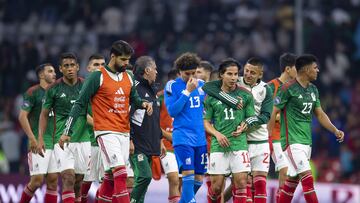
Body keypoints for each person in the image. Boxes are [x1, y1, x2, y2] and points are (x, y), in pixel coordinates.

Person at [60, 40, 152, 203]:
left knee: (110, 178)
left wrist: (143, 104)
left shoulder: (128, 77)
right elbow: (80, 103)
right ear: (113, 56)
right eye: (123, 60)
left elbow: (134, 98)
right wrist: (67, 131)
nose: (126, 63)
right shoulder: (97, 77)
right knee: (121, 174)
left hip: (123, 131)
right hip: (106, 131)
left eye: (128, 60)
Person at [268, 54, 344, 203]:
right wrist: (269, 135)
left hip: (306, 142)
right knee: (308, 179)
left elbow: (320, 114)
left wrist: (335, 130)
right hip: (291, 142)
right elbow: (274, 111)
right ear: (306, 69)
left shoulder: (313, 90)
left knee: (291, 182)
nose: (318, 70)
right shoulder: (287, 88)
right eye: (315, 68)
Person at [202, 57, 273, 203]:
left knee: (243, 183)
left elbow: (263, 116)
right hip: (219, 144)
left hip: (244, 142)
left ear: (260, 74)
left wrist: (246, 124)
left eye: (252, 72)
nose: (237, 76)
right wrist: (231, 101)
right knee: (216, 188)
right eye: (245, 71)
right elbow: (206, 89)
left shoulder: (259, 91)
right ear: (222, 75)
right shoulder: (214, 93)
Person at [39, 53, 91, 203]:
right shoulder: (53, 89)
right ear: (60, 69)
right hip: (61, 140)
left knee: (79, 182)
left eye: (72, 65)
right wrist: (41, 138)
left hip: (84, 139)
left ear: (78, 67)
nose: (70, 68)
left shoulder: (86, 85)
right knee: (68, 177)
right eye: (66, 66)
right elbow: (44, 115)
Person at [164, 52, 207, 203]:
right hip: (182, 137)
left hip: (200, 139)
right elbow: (172, 111)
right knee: (188, 175)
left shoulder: (202, 85)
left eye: (193, 73)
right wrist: (187, 91)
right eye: (187, 73)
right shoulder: (172, 86)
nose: (191, 77)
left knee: (199, 179)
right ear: (179, 72)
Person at [19, 63, 58, 203]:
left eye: (54, 71)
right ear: (41, 75)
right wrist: (32, 138)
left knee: (53, 182)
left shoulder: (57, 93)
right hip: (39, 142)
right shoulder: (32, 92)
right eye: (50, 71)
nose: (54, 74)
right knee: (37, 180)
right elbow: (22, 116)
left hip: (55, 143)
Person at [129, 56, 166, 203]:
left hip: (150, 142)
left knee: (143, 183)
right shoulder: (134, 89)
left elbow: (154, 119)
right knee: (144, 176)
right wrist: (130, 140)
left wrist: (160, 140)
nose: (157, 72)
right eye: (155, 69)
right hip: (137, 144)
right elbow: (127, 117)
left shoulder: (152, 89)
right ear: (147, 70)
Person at [267, 53, 297, 202]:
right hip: (273, 135)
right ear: (288, 69)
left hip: (288, 137)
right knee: (284, 170)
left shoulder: (294, 89)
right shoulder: (271, 87)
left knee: (290, 174)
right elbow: (264, 113)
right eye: (297, 68)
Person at [81, 54, 106, 203]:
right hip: (89, 142)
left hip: (107, 141)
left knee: (106, 183)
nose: (100, 67)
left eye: (103, 64)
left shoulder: (109, 87)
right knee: (85, 184)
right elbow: (82, 114)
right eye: (96, 64)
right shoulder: (83, 87)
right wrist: (102, 126)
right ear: (88, 68)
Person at [158, 68, 181, 203]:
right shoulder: (160, 97)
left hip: (185, 144)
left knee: (182, 181)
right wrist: (160, 140)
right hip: (167, 144)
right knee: (173, 178)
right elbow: (153, 122)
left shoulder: (189, 96)